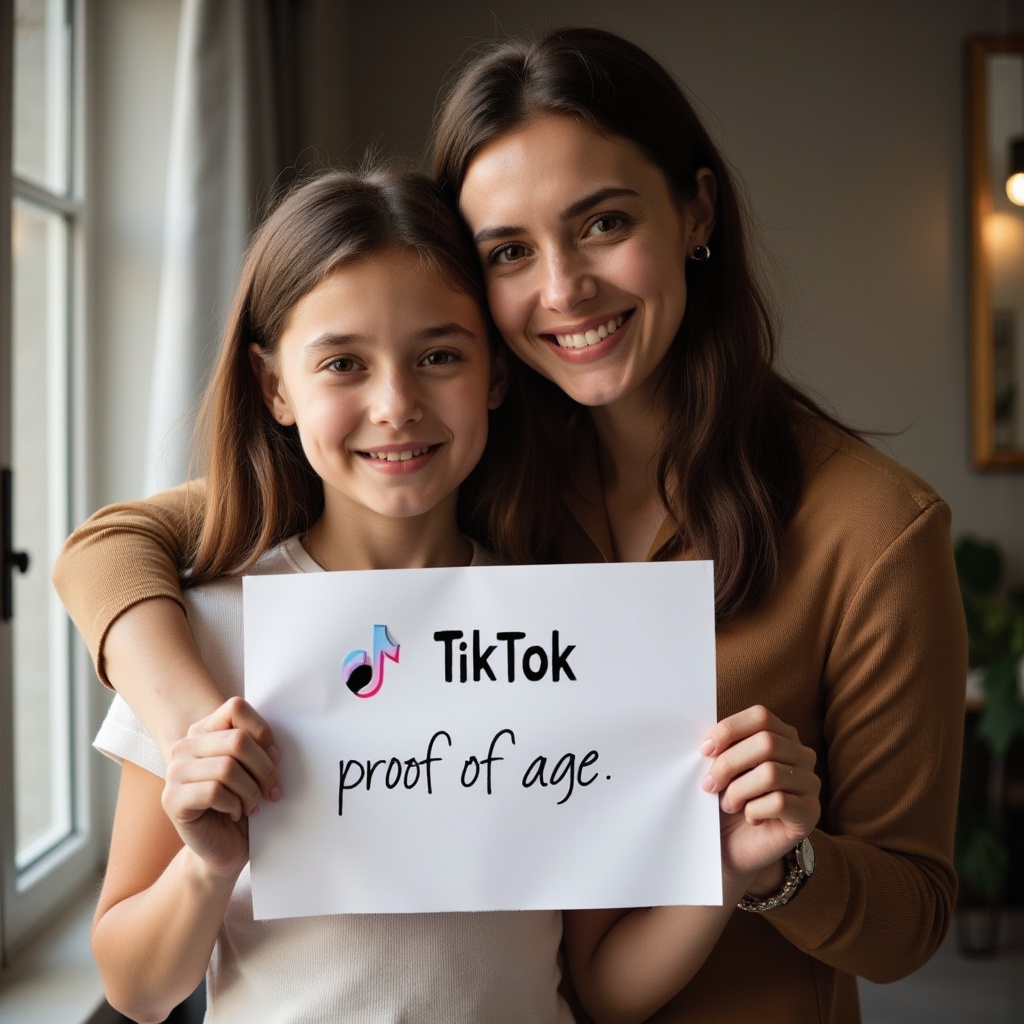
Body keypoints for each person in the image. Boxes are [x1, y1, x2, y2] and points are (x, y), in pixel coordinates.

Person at [53, 26, 964, 1024]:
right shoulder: (467, 466)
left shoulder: (870, 527)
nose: (564, 289)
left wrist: (775, 864)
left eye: (604, 221)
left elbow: (905, 920)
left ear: (696, 207)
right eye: (508, 252)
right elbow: (117, 545)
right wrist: (205, 742)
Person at [84, 163, 816, 1024]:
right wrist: (206, 865)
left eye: (439, 356)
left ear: (496, 376)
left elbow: (603, 993)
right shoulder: (205, 630)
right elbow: (134, 989)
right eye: (343, 363)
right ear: (275, 386)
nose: (396, 404)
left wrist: (725, 866)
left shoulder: (569, 629)